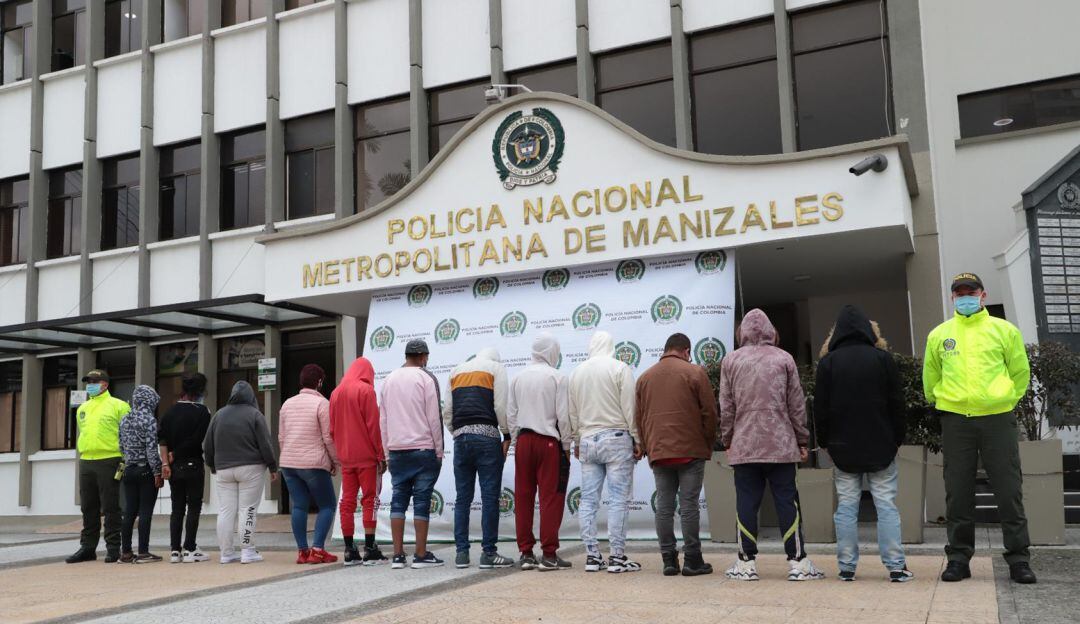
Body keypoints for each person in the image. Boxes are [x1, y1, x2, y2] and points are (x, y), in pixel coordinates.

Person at [923, 272, 1035, 584]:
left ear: (982, 295)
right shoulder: (939, 335)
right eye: (959, 293)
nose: (965, 297)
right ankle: (958, 558)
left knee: (1009, 490)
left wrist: (1004, 400)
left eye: (970, 292)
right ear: (953, 298)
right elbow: (930, 379)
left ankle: (1019, 560)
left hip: (997, 418)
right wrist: (945, 402)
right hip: (956, 420)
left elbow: (1020, 372)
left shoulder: (1004, 330)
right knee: (957, 492)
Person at [719, 309, 825, 582]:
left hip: (744, 445)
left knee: (746, 502)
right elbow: (796, 405)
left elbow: (726, 407)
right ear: (770, 330)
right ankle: (798, 562)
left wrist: (728, 440)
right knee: (787, 501)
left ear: (742, 332)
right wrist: (802, 439)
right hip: (780, 445)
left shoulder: (730, 361)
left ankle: (746, 563)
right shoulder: (784, 358)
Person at [815, 305, 912, 582]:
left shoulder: (828, 363)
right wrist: (897, 439)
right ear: (869, 331)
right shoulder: (883, 359)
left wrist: (824, 442)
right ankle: (895, 566)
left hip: (842, 446)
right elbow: (897, 404)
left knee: (846, 506)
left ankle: (846, 567)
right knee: (886, 505)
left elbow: (820, 409)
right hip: (882, 443)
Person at [635, 333, 716, 577]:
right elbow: (710, 413)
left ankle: (668, 560)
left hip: (660, 452)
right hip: (691, 450)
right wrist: (707, 442)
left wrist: (649, 446)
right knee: (689, 505)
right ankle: (693, 560)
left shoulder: (644, 378)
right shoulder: (695, 372)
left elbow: (639, 419)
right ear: (686, 350)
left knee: (664, 506)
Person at [569, 331, 638, 574]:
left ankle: (592, 556)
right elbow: (629, 407)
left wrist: (576, 440)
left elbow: (573, 413)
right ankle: (617, 557)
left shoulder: (577, 372)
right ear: (611, 346)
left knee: (588, 500)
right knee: (618, 498)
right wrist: (637, 438)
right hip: (617, 438)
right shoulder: (620, 368)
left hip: (588, 439)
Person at [443, 347, 515, 570]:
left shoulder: (456, 371)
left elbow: (447, 410)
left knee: (463, 498)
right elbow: (501, 405)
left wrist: (456, 431)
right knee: (489, 497)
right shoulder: (496, 368)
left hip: (461, 440)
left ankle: (461, 554)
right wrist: (507, 433)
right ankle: (489, 554)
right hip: (487, 439)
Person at [508, 334, 572, 571]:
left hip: (524, 440)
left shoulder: (517, 377)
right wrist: (566, 446)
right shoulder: (557, 377)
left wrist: (516, 443)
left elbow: (511, 416)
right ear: (551, 351)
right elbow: (563, 416)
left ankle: (525, 553)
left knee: (523, 497)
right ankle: (549, 554)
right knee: (550, 498)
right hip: (548, 442)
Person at [381, 339, 445, 569]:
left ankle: (397, 555)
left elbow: (384, 420)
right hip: (423, 448)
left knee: (398, 499)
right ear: (423, 357)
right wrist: (439, 449)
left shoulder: (389, 379)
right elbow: (434, 418)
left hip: (397, 450)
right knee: (422, 500)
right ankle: (420, 554)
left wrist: (387, 452)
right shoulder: (426, 378)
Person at [203, 380, 278, 564]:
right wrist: (272, 466)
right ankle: (247, 551)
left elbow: (208, 444)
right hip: (251, 468)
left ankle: (226, 553)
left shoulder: (219, 415)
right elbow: (265, 444)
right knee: (248, 509)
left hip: (223, 470)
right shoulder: (255, 415)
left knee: (226, 511)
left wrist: (212, 465)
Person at [279, 364, 341, 564]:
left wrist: (287, 455)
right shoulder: (322, 404)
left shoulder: (287, 404)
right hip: (313, 463)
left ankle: (302, 552)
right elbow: (328, 437)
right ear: (320, 382)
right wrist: (335, 460)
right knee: (327, 505)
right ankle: (318, 549)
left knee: (299, 506)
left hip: (289, 463)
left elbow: (281, 437)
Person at [66, 369, 130, 564]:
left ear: (105, 384)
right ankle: (87, 547)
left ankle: (112, 548)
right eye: (88, 381)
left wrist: (125, 461)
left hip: (110, 459)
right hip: (86, 460)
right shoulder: (83, 408)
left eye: (94, 381)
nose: (90, 384)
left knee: (111, 506)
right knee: (88, 506)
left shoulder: (119, 406)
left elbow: (127, 436)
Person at [330, 356, 388, 566]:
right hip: (366, 457)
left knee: (347, 501)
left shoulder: (336, 393)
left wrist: (341, 451)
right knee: (370, 500)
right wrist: (380, 455)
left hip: (346, 457)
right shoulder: (366, 391)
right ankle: (370, 548)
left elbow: (332, 429)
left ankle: (349, 549)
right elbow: (373, 427)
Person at [158, 372, 212, 563]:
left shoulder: (169, 412)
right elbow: (197, 440)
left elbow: (162, 440)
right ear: (200, 391)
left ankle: (174, 550)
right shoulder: (203, 412)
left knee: (177, 508)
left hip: (174, 468)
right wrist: (177, 454)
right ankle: (190, 548)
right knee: (194, 507)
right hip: (194, 464)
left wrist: (166, 461)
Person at [118, 385, 164, 563]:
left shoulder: (124, 419)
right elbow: (151, 450)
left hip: (128, 470)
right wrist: (157, 472)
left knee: (129, 511)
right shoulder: (149, 420)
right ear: (150, 401)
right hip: (145, 470)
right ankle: (143, 552)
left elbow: (121, 446)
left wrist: (129, 458)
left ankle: (126, 552)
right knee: (145, 511)